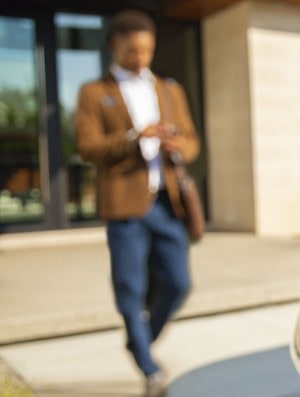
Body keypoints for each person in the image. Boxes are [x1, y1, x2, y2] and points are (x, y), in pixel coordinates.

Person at [74, 8, 200, 397]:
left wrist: (179, 145)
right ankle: (149, 368)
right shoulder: (94, 92)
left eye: (147, 50)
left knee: (178, 283)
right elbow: (87, 147)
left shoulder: (169, 89)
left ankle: (139, 339)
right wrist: (134, 136)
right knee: (130, 287)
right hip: (125, 206)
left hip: (167, 204)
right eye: (133, 51)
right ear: (115, 46)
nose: (141, 58)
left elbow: (193, 142)